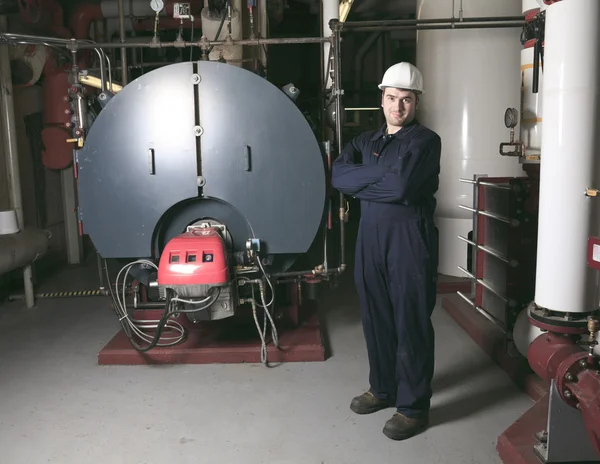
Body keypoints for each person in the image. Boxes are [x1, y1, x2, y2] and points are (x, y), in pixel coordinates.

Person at [331, 62, 441, 441]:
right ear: (382, 99)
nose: (398, 107)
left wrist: (364, 183)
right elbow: (338, 176)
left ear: (417, 102)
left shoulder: (425, 141)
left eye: (406, 100)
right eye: (392, 98)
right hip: (370, 238)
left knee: (410, 321)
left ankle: (413, 407)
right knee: (375, 317)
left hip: (410, 239)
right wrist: (381, 179)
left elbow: (403, 189)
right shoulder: (366, 142)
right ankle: (383, 388)